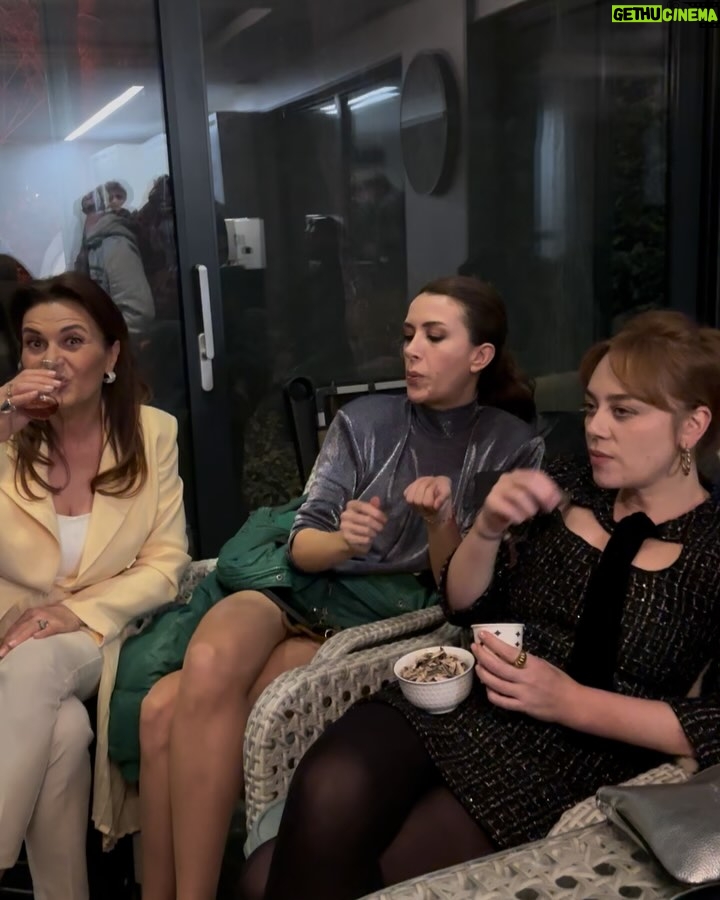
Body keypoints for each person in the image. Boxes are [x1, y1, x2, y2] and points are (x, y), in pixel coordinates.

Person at [239, 309, 720, 900]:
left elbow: (712, 721)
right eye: (592, 407)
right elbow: (467, 606)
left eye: (623, 412)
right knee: (329, 782)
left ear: (692, 425)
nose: (596, 428)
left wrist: (570, 701)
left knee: (266, 879)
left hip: (571, 756)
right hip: (462, 699)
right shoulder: (566, 485)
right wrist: (487, 527)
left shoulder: (712, 553)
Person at [135, 276, 543, 900]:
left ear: (479, 356)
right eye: (408, 334)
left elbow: (463, 590)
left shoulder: (508, 445)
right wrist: (345, 542)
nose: (411, 350)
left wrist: (439, 521)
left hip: (375, 612)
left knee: (165, 711)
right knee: (206, 662)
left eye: (434, 337)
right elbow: (303, 544)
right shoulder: (364, 420)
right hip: (298, 584)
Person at [0, 272, 189, 900]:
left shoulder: (153, 433)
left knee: (35, 663)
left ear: (111, 356)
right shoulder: (5, 430)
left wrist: (75, 612)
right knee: (64, 735)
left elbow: (167, 563)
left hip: (95, 632)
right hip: (5, 629)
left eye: (72, 341)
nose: (50, 360)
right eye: (35, 343)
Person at [75, 184, 155, 336]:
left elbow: (137, 314)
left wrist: (100, 341)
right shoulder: (91, 247)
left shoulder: (116, 245)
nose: (87, 216)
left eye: (93, 207)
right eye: (85, 209)